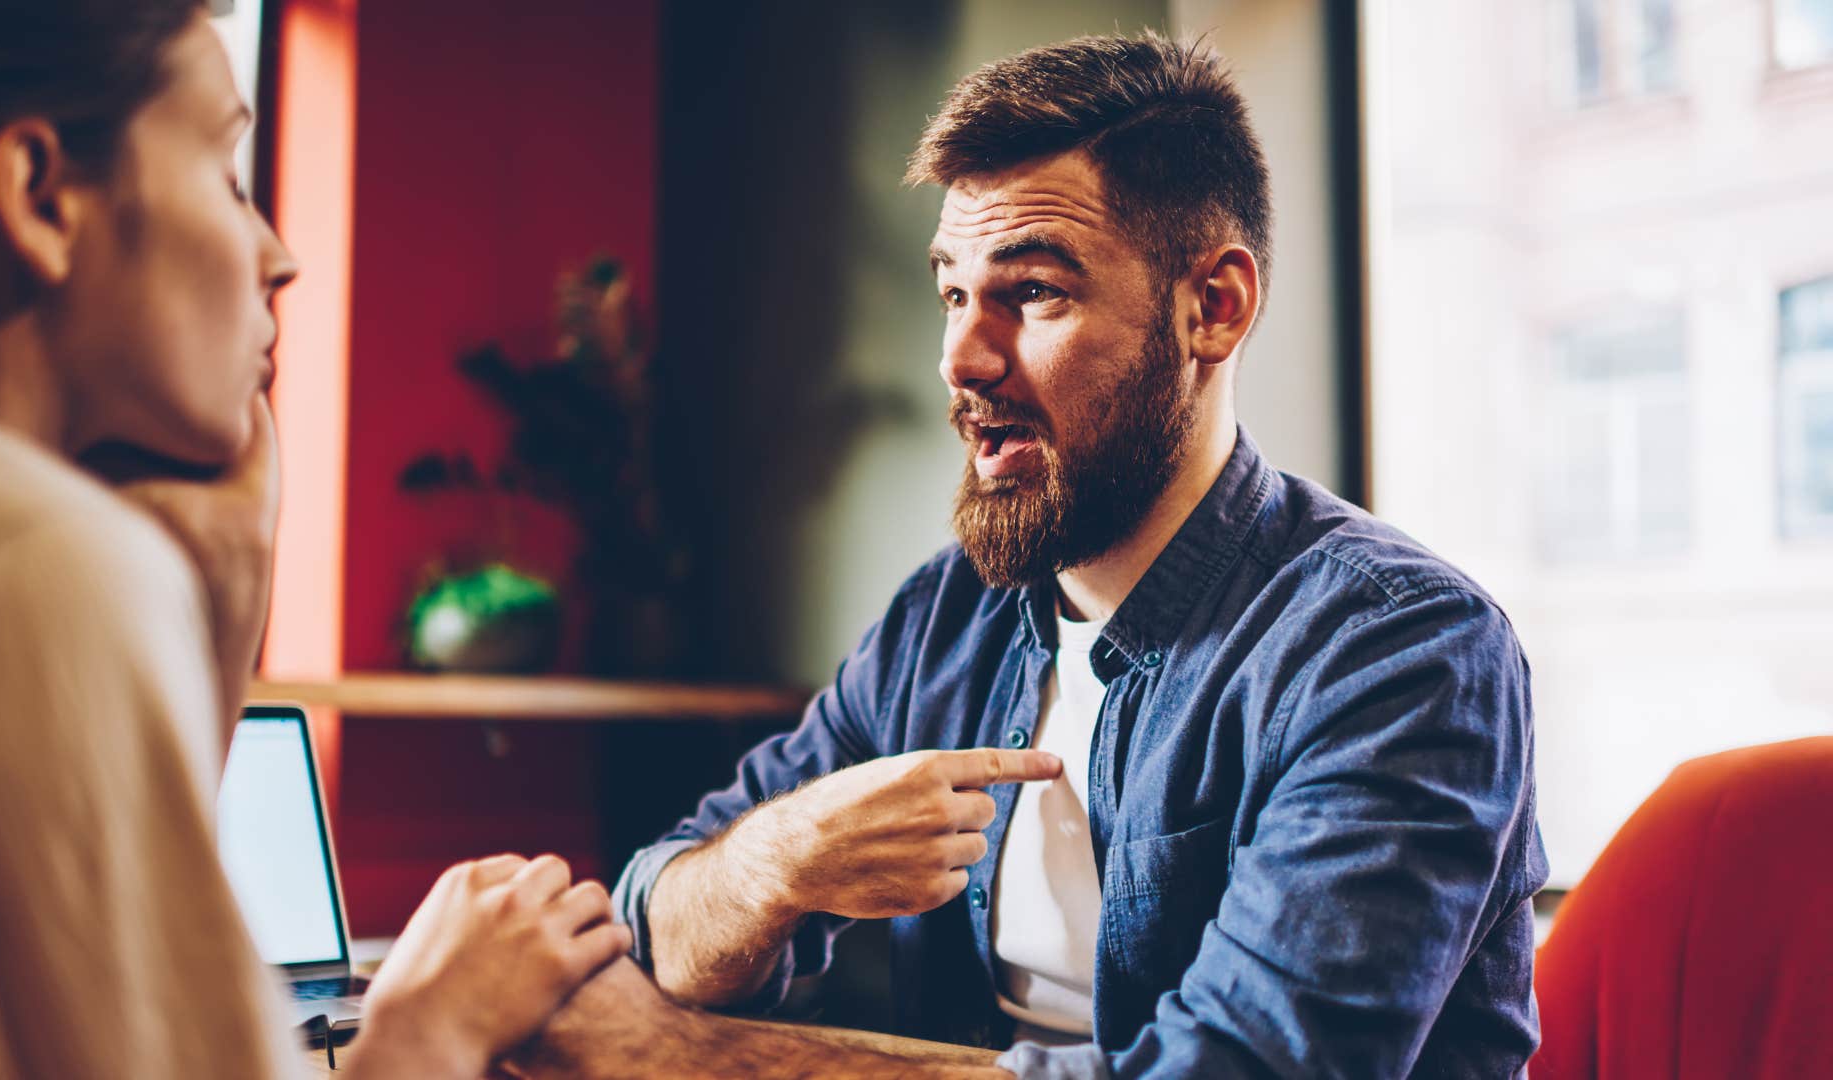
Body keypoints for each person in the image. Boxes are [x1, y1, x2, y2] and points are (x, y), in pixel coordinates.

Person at [608, 32, 1548, 1079]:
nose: (960, 357)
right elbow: (655, 920)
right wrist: (777, 863)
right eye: (952, 293)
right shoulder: (943, 621)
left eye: (1035, 293)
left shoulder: (1400, 650)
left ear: (1214, 308)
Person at [0, 3, 629, 1077]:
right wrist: (427, 1029)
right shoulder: (23, 565)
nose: (280, 256)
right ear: (39, 194)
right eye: (228, 173)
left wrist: (220, 607)